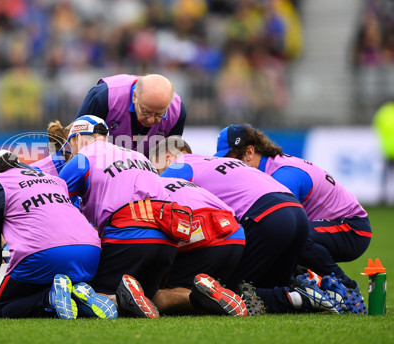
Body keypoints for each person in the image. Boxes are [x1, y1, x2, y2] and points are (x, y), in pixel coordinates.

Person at [58, 115, 246, 318]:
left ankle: (123, 296)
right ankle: (194, 297)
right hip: (167, 238)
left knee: (91, 294)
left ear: (77, 137)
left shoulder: (83, 157)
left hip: (127, 233)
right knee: (155, 296)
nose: (71, 152)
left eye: (71, 145)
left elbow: (54, 202)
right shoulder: (139, 156)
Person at [150, 136, 341, 315]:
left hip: (266, 215)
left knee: (227, 290)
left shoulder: (180, 164)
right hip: (296, 211)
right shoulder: (216, 163)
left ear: (167, 159)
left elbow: (161, 198)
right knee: (265, 286)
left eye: (155, 169)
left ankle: (300, 295)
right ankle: (312, 291)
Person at [214, 124, 370, 313]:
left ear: (249, 152)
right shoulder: (271, 168)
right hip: (328, 226)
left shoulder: (283, 175)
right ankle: (308, 292)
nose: (227, 166)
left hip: (352, 228)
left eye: (229, 159)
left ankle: (348, 290)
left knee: (295, 237)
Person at [0, 149, 117, 319]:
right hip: (90, 252)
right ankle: (78, 293)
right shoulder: (56, 181)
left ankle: (49, 298)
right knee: (58, 288)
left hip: (43, 255)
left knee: (2, 308)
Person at [152, 176, 248, 315]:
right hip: (235, 233)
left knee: (154, 295)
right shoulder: (178, 181)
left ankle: (204, 301)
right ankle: (228, 297)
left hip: (202, 230)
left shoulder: (145, 185)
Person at [74, 74, 187, 157]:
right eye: (145, 112)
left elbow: (168, 160)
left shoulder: (176, 112)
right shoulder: (104, 97)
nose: (151, 120)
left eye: (159, 114)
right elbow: (76, 143)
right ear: (134, 97)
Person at [373, 101, 394, 205]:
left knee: (385, 175)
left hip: (387, 149)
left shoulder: (383, 112)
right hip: (391, 148)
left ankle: (383, 197)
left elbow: (376, 124)